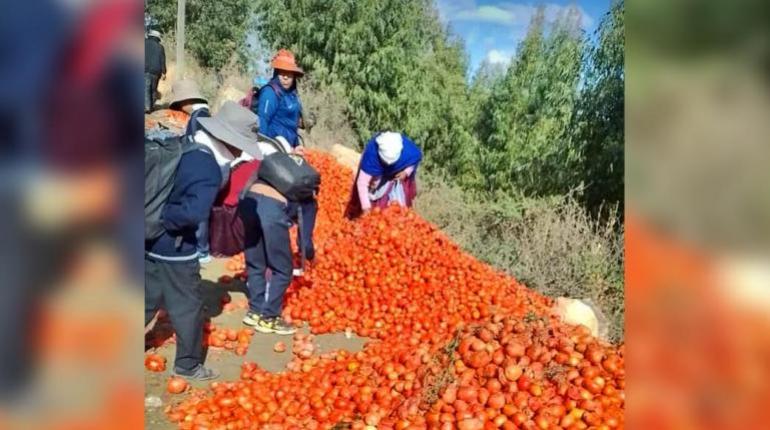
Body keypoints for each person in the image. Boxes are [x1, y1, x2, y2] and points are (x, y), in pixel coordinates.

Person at [145, 102, 261, 380]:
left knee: (147, 296)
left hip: (147, 235)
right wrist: (166, 223)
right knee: (188, 306)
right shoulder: (207, 167)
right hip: (174, 245)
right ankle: (188, 364)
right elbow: (193, 213)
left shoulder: (187, 145)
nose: (241, 152)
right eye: (240, 145)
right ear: (228, 141)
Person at [255, 49, 317, 264]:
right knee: (294, 199)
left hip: (291, 151)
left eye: (289, 74)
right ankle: (280, 247)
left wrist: (295, 146)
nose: (285, 76)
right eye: (281, 72)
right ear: (276, 72)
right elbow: (262, 128)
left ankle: (302, 243)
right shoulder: (270, 93)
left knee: (306, 195)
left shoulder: (292, 95)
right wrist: (283, 150)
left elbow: (294, 122)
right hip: (274, 154)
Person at [169, 79, 214, 263]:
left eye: (180, 104)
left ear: (186, 101)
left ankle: (202, 250)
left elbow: (199, 145)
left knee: (198, 207)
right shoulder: (203, 115)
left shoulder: (199, 118)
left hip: (202, 168)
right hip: (204, 167)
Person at [345, 131, 423, 219]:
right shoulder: (371, 155)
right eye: (385, 161)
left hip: (395, 180)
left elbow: (413, 161)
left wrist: (406, 172)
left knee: (398, 211)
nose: (387, 164)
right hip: (376, 181)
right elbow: (362, 183)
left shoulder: (408, 151)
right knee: (374, 209)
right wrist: (366, 208)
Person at [144, 29, 166, 113]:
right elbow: (162, 60)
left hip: (145, 69)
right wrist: (164, 72)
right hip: (156, 71)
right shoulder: (160, 47)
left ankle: (147, 107)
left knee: (146, 88)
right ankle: (151, 106)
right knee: (153, 89)